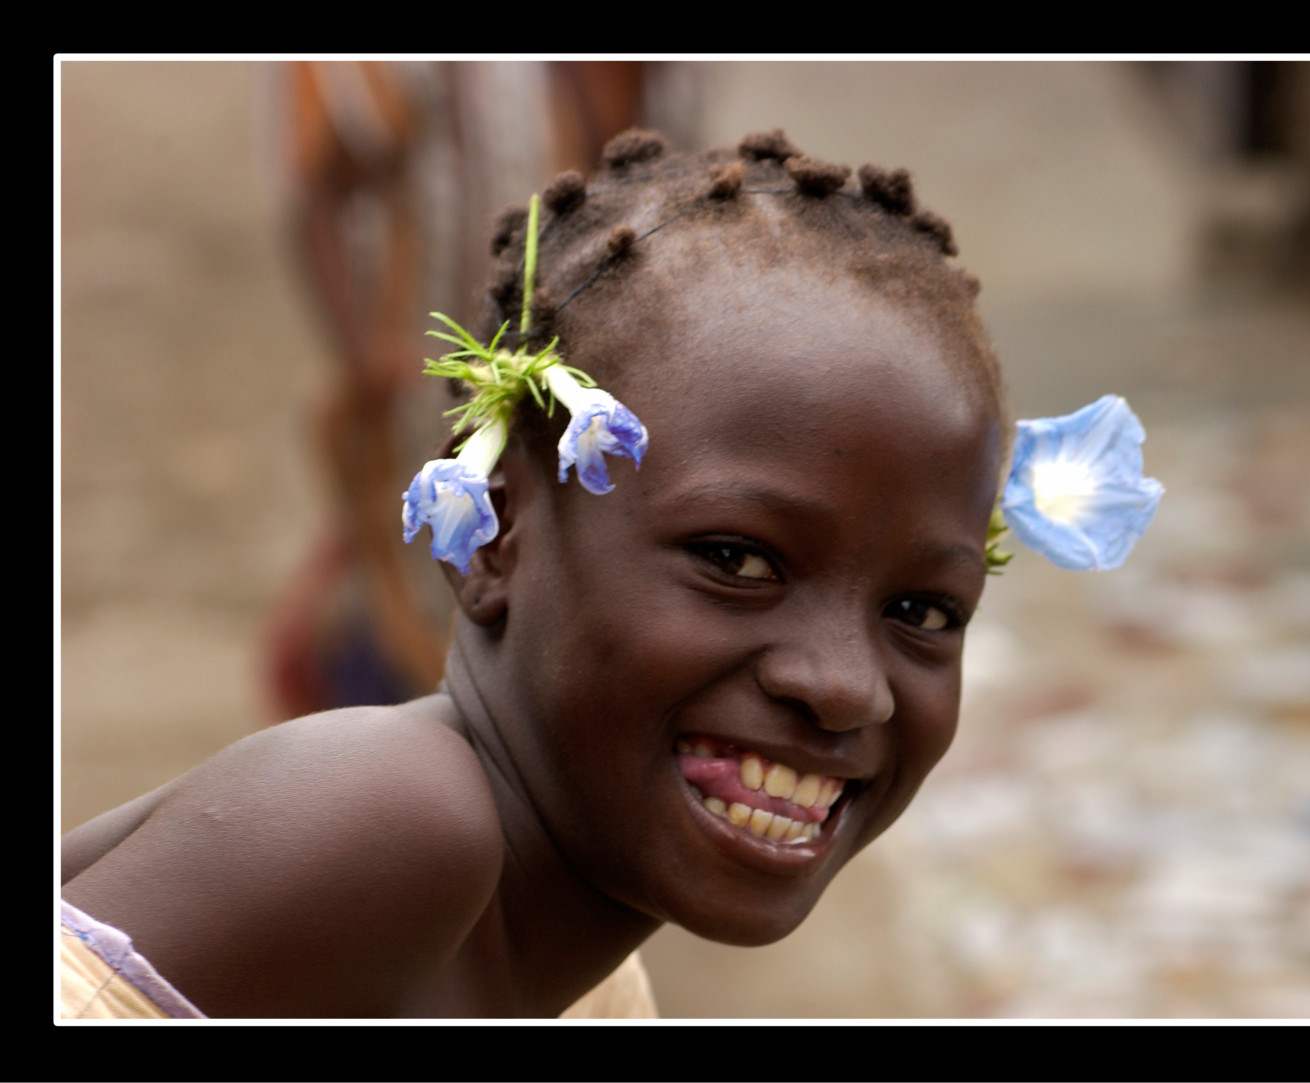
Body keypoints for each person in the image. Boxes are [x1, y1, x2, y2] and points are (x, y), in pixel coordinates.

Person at [59, 128, 1160, 1018]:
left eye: (922, 610)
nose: (844, 686)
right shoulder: (395, 819)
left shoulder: (591, 983)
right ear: (492, 531)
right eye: (736, 560)